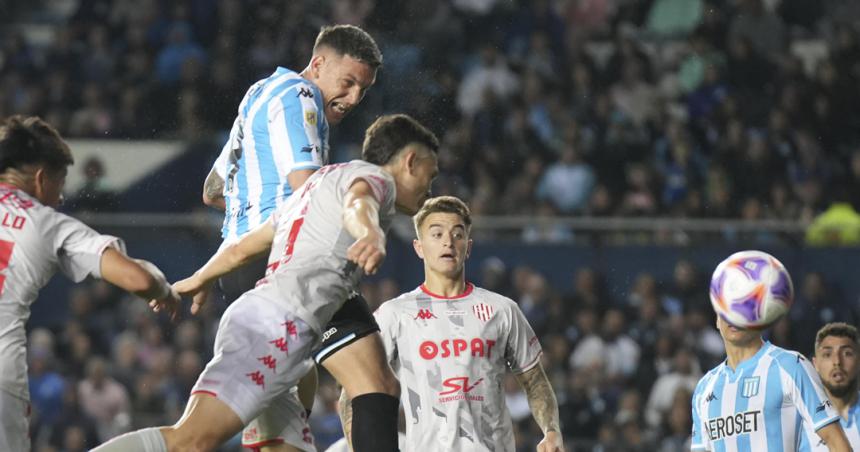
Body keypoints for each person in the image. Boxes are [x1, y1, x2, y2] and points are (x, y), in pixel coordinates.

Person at [92, 113, 439, 452]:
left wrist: (201, 277)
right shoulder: (376, 180)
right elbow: (359, 202)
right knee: (191, 441)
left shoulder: (317, 186)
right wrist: (371, 234)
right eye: (431, 173)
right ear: (410, 161)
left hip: (277, 326)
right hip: (278, 327)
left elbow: (245, 247)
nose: (430, 187)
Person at [199, 24, 397, 452]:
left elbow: (213, 190)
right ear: (318, 64)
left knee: (284, 411)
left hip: (240, 267)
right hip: (287, 262)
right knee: (375, 382)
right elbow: (307, 189)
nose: (354, 98)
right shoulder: (301, 96)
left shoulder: (259, 94)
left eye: (363, 88)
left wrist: (253, 204)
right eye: (348, 82)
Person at [0, 115, 179, 451]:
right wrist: (162, 289)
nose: (60, 196)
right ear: (40, 179)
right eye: (59, 183)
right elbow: (135, 278)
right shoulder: (48, 223)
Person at [339, 196, 564, 451]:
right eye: (436, 234)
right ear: (419, 247)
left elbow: (535, 381)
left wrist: (552, 430)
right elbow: (353, 392)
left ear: (467, 247)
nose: (448, 242)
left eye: (457, 234)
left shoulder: (502, 310)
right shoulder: (394, 314)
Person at [690, 261, 851, 451]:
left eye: (743, 309)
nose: (734, 317)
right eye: (727, 310)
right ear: (717, 319)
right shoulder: (704, 389)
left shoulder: (790, 365)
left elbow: (836, 441)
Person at [801, 322, 860, 450]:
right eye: (827, 354)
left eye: (847, 353)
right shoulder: (798, 423)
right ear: (815, 364)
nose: (837, 362)